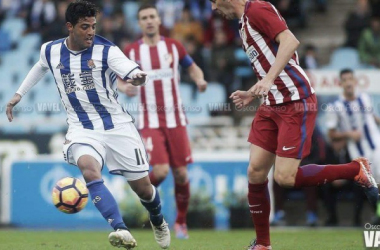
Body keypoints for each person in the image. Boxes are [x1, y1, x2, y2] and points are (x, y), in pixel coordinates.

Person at [210, 1, 378, 249]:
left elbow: (290, 42)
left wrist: (267, 80)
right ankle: (263, 245)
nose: (213, 9)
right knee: (255, 172)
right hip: (270, 103)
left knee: (285, 178)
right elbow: (269, 65)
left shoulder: (257, 8)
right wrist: (253, 92)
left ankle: (354, 170)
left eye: (213, 1)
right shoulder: (243, 22)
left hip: (295, 101)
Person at [5, 1, 170, 249]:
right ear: (70, 27)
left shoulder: (107, 51)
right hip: (82, 129)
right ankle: (121, 229)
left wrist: (136, 78)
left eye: (93, 26)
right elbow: (40, 67)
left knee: (144, 190)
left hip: (118, 127)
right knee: (89, 169)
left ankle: (158, 220)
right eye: (85, 26)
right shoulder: (50, 50)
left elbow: (129, 70)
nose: (91, 31)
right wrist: (19, 94)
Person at [122, 4, 207, 240]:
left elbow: (192, 68)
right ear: (139, 23)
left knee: (181, 174)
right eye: (144, 18)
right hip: (149, 120)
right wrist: (123, 86)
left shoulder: (173, 46)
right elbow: (118, 79)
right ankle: (146, 199)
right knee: (159, 171)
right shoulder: (131, 52)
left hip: (176, 119)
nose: (149, 21)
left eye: (152, 17)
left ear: (159, 20)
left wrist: (200, 80)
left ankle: (180, 222)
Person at [326, 68, 380, 225]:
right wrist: (349, 134)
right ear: (340, 83)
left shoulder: (365, 98)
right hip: (359, 154)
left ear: (355, 81)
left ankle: (376, 217)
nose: (348, 82)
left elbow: (372, 117)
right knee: (370, 187)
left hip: (376, 147)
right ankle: (374, 218)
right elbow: (331, 134)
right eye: (345, 80)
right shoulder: (335, 107)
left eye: (350, 79)